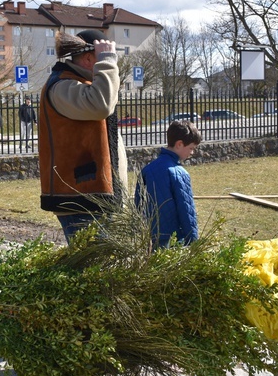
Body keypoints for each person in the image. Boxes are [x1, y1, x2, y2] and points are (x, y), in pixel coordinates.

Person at [38, 30, 128, 242]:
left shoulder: (80, 84)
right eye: (103, 56)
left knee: (104, 268)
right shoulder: (62, 86)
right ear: (89, 58)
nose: (112, 63)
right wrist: (107, 62)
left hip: (93, 198)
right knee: (95, 268)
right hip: (82, 202)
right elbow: (102, 105)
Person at [135, 120, 202, 249]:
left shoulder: (147, 170)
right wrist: (193, 241)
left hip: (150, 237)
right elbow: (186, 210)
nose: (192, 153)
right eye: (191, 148)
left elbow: (139, 203)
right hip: (174, 240)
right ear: (179, 144)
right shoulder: (180, 173)